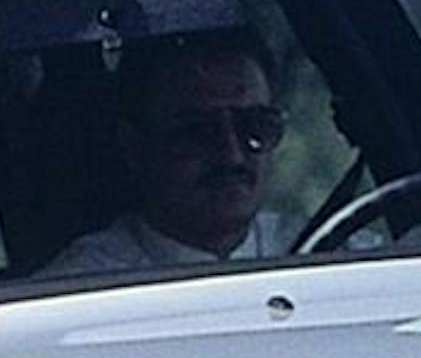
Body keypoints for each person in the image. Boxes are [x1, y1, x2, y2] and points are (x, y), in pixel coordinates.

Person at [36, 28, 301, 276]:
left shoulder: (318, 252)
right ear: (134, 147)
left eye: (255, 127)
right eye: (196, 132)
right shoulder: (82, 289)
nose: (231, 154)